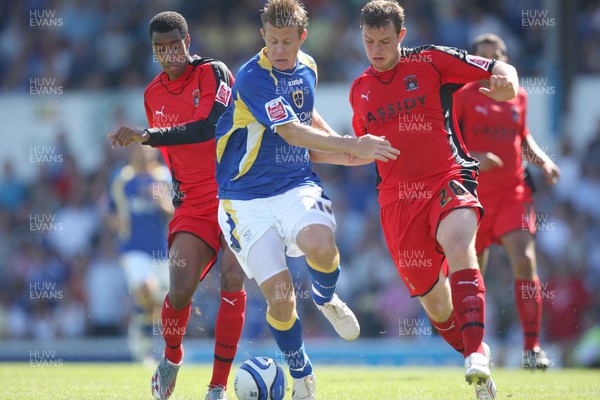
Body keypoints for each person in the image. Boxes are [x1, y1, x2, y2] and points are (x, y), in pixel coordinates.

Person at [214, 1, 398, 399]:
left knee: (321, 243)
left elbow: (308, 121)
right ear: (263, 36)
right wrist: (351, 144)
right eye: (273, 41)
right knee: (280, 298)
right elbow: (292, 133)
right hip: (244, 200)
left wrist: (346, 153)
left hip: (295, 184)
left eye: (287, 42)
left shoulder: (308, 68)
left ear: (303, 37)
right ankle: (301, 376)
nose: (279, 50)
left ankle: (326, 297)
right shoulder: (252, 77)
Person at [347, 1, 521, 398]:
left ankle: (476, 352)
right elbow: (359, 151)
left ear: (401, 37)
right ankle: (476, 360)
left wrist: (507, 80)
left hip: (447, 177)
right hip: (396, 202)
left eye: (385, 41)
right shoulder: (359, 91)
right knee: (438, 308)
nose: (376, 48)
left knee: (461, 244)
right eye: (369, 40)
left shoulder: (431, 62)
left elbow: (496, 68)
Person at [107, 11, 246, 400]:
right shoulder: (152, 94)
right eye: (159, 49)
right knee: (179, 290)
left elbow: (208, 126)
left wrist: (146, 135)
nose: (168, 55)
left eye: (174, 45)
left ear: (188, 41)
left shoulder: (213, 73)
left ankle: (217, 386)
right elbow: (172, 151)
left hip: (236, 195)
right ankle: (171, 358)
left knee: (233, 281)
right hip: (195, 203)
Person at [453, 33, 560, 370]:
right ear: (474, 62)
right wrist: (474, 158)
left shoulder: (520, 96)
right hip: (473, 197)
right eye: (484, 58)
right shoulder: (462, 95)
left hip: (514, 193)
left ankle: (532, 349)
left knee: (525, 261)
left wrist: (542, 160)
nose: (492, 66)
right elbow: (449, 140)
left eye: (496, 57)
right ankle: (474, 350)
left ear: (506, 61)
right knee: (473, 275)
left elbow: (522, 137)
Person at [105, 145, 171, 364]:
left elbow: (175, 210)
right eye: (137, 148)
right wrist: (117, 224)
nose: (142, 153)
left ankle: (144, 338)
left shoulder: (163, 176)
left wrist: (160, 200)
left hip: (161, 249)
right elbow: (109, 213)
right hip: (133, 248)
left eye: (146, 148)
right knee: (146, 287)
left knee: (162, 303)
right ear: (130, 152)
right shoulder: (121, 179)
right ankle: (140, 344)